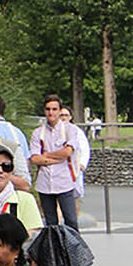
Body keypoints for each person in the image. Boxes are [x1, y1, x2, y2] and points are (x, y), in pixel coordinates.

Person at [28, 93, 88, 227]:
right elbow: (34, 157)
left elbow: (67, 152)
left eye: (54, 109)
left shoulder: (70, 130)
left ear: (60, 111)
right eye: (48, 109)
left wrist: (47, 155)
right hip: (45, 182)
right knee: (51, 222)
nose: (51, 112)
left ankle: (72, 247)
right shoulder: (38, 133)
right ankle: (53, 247)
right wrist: (53, 157)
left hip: (64, 182)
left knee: (71, 220)